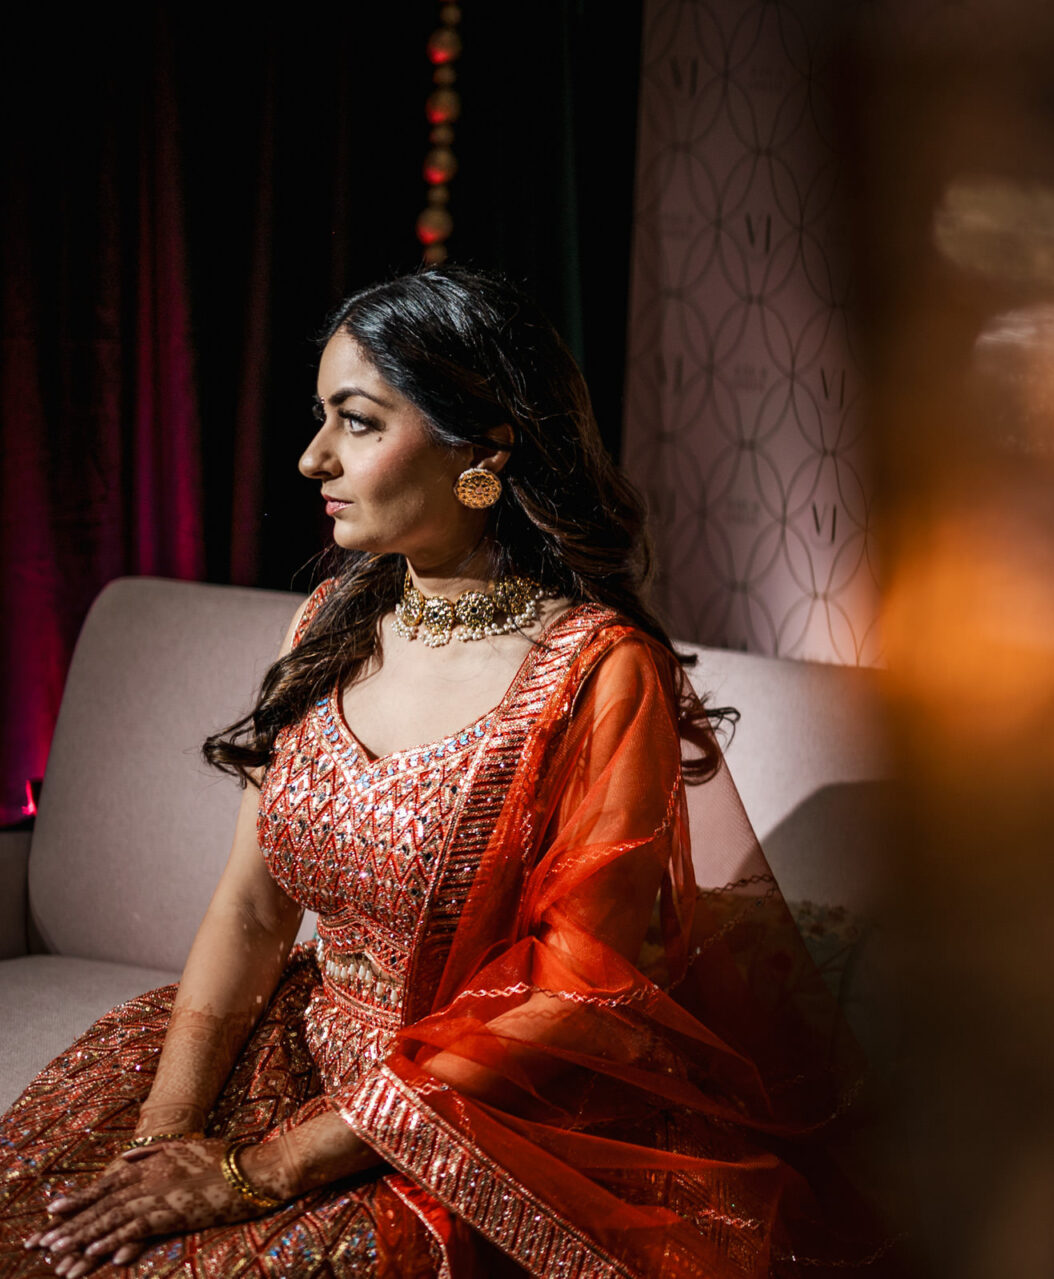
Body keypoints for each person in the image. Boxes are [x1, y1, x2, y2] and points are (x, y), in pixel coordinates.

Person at [0, 267, 885, 1279]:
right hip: (303, 1053)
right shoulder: (325, 628)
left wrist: (260, 1170)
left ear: (483, 449)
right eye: (319, 418)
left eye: (358, 422)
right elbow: (251, 912)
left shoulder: (599, 675)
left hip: (491, 1110)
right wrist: (167, 1138)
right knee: (52, 1216)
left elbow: (573, 990)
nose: (311, 458)